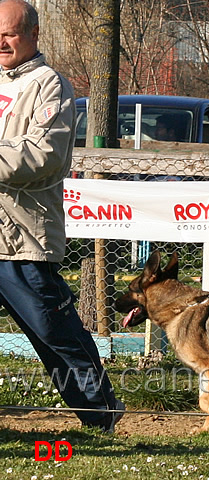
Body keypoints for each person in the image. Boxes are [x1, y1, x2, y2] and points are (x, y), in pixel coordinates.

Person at [0, 0, 123, 431]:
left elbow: (42, 155)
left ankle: (100, 413)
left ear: (33, 35)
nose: (1, 41)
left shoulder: (49, 85)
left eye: (10, 33)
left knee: (54, 332)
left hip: (19, 238)